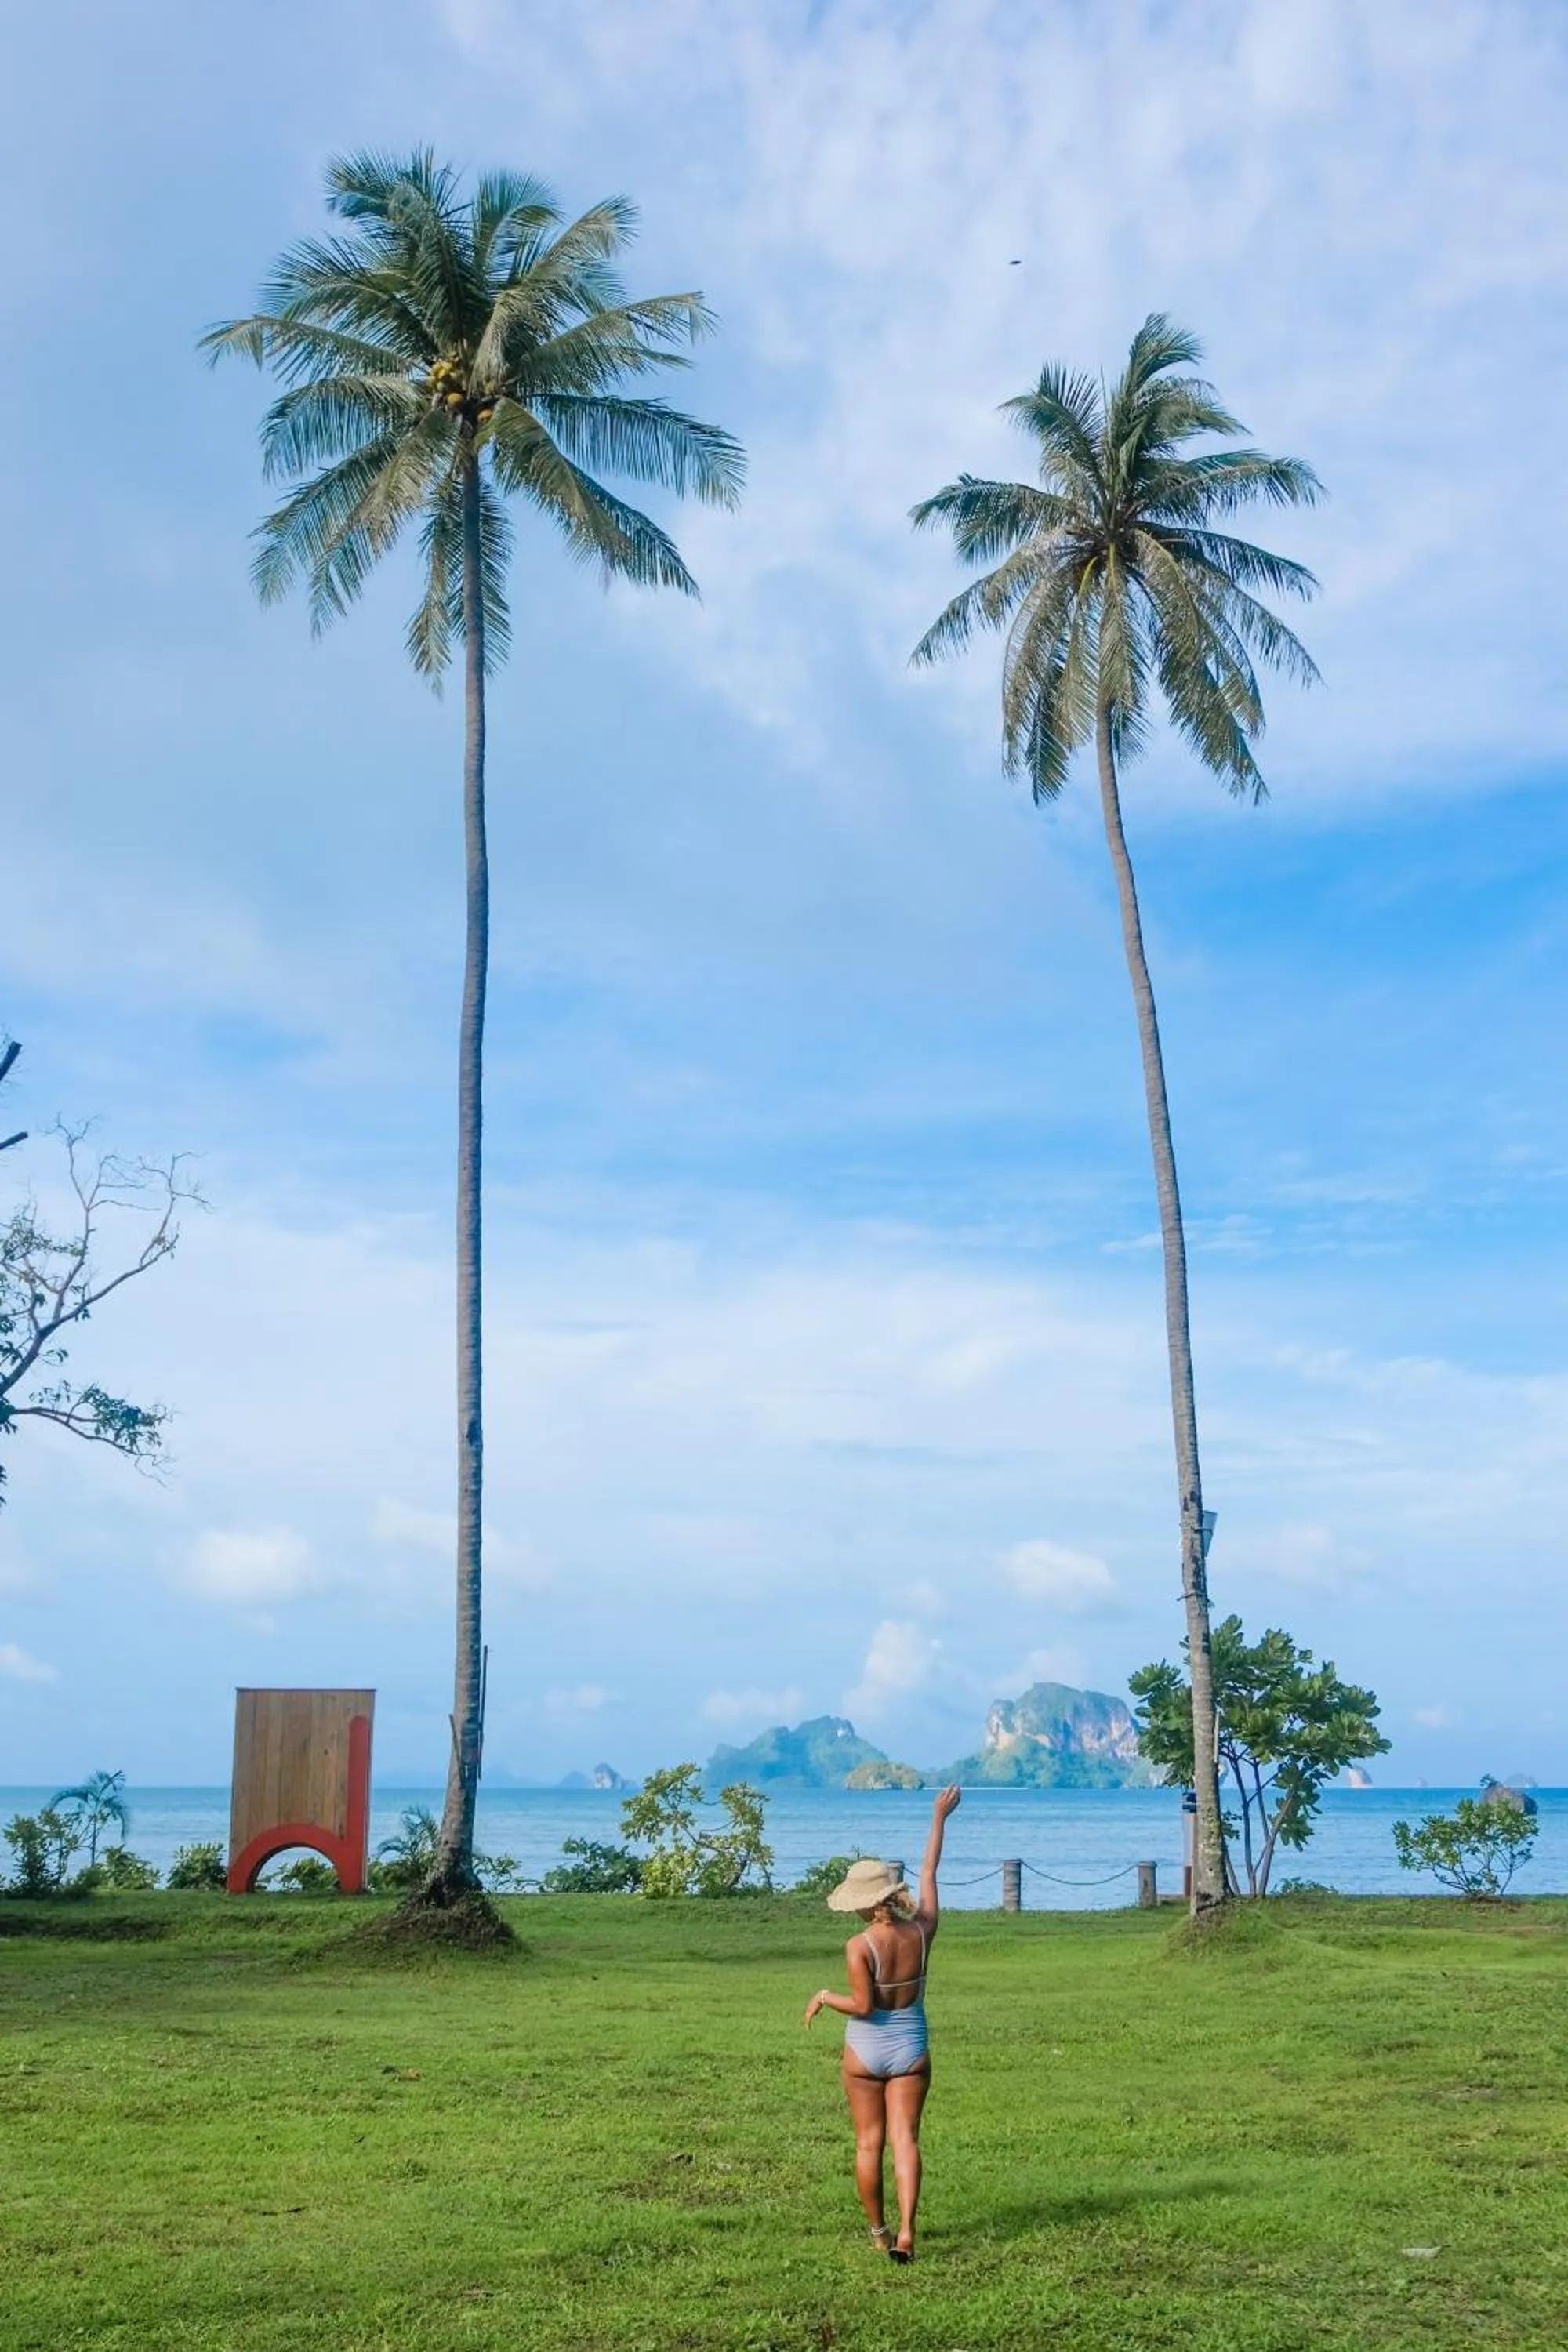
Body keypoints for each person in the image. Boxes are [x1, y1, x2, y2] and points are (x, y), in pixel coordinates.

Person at [804, 1784, 962, 2263]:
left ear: (864, 1903)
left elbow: (862, 2005)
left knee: (869, 2144)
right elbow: (930, 1869)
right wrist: (939, 1817)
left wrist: (824, 1997)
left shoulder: (859, 1946)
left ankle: (879, 2233)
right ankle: (908, 2234)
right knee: (906, 2141)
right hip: (911, 2045)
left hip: (865, 2051)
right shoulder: (923, 1930)